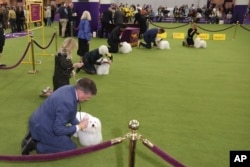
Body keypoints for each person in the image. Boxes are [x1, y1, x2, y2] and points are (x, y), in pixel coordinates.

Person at [21, 78, 97, 155]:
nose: (87, 99)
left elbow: (70, 115)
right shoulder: (67, 103)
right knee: (70, 148)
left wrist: (79, 124)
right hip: (43, 128)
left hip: (39, 121)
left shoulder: (69, 89)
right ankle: (34, 145)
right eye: (88, 97)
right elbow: (58, 129)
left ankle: (35, 136)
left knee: (67, 135)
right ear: (81, 92)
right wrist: (79, 126)